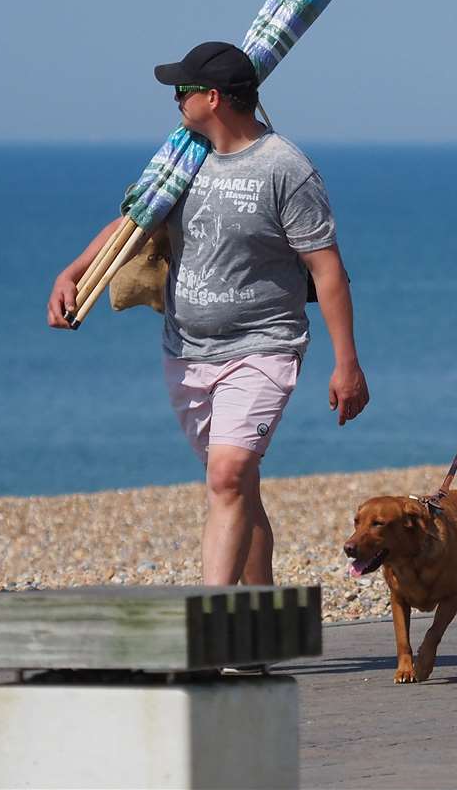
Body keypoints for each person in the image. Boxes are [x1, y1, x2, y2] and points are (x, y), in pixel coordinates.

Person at [48, 40, 370, 584]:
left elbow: (327, 269)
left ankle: (212, 629)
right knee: (236, 488)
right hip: (187, 352)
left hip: (264, 345)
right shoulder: (182, 159)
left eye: (183, 90)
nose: (175, 100)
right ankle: (259, 627)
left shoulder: (286, 168)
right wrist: (74, 271)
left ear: (214, 98)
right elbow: (133, 224)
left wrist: (347, 362)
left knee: (226, 477)